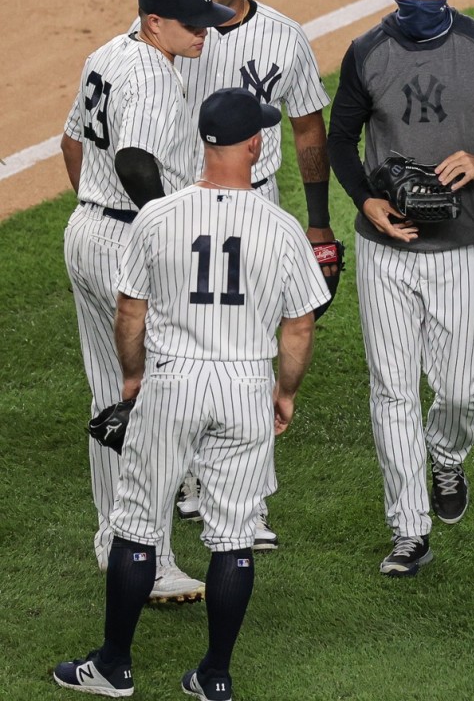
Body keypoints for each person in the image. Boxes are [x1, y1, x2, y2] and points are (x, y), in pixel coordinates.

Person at [53, 88, 331, 699]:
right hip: (244, 385)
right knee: (234, 534)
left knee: (136, 521)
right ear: (254, 144)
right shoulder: (281, 227)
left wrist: (132, 376)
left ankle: (114, 666)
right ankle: (215, 676)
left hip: (173, 380)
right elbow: (301, 324)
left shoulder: (158, 217)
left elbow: (130, 311)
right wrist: (284, 393)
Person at [327, 0, 474, 576]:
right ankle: (408, 529)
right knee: (392, 391)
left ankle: (446, 460)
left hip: (460, 246)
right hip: (385, 250)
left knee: (459, 390)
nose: (419, 1)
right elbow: (341, 138)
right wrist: (365, 202)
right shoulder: (367, 52)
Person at [62, 0, 235, 605]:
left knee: (111, 394)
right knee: (156, 406)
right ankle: (151, 557)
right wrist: (161, 234)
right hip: (128, 245)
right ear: (154, 22)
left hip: (87, 232)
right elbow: (135, 159)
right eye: (193, 26)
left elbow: (71, 140)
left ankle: (114, 539)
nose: (205, 36)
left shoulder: (108, 52)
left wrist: (93, 208)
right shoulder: (153, 78)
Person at [172, 0, 342, 551]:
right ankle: (190, 476)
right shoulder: (178, 32)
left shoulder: (284, 38)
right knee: (186, 342)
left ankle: (245, 503)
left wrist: (318, 218)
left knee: (248, 350)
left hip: (259, 203)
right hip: (184, 204)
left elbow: (305, 128)